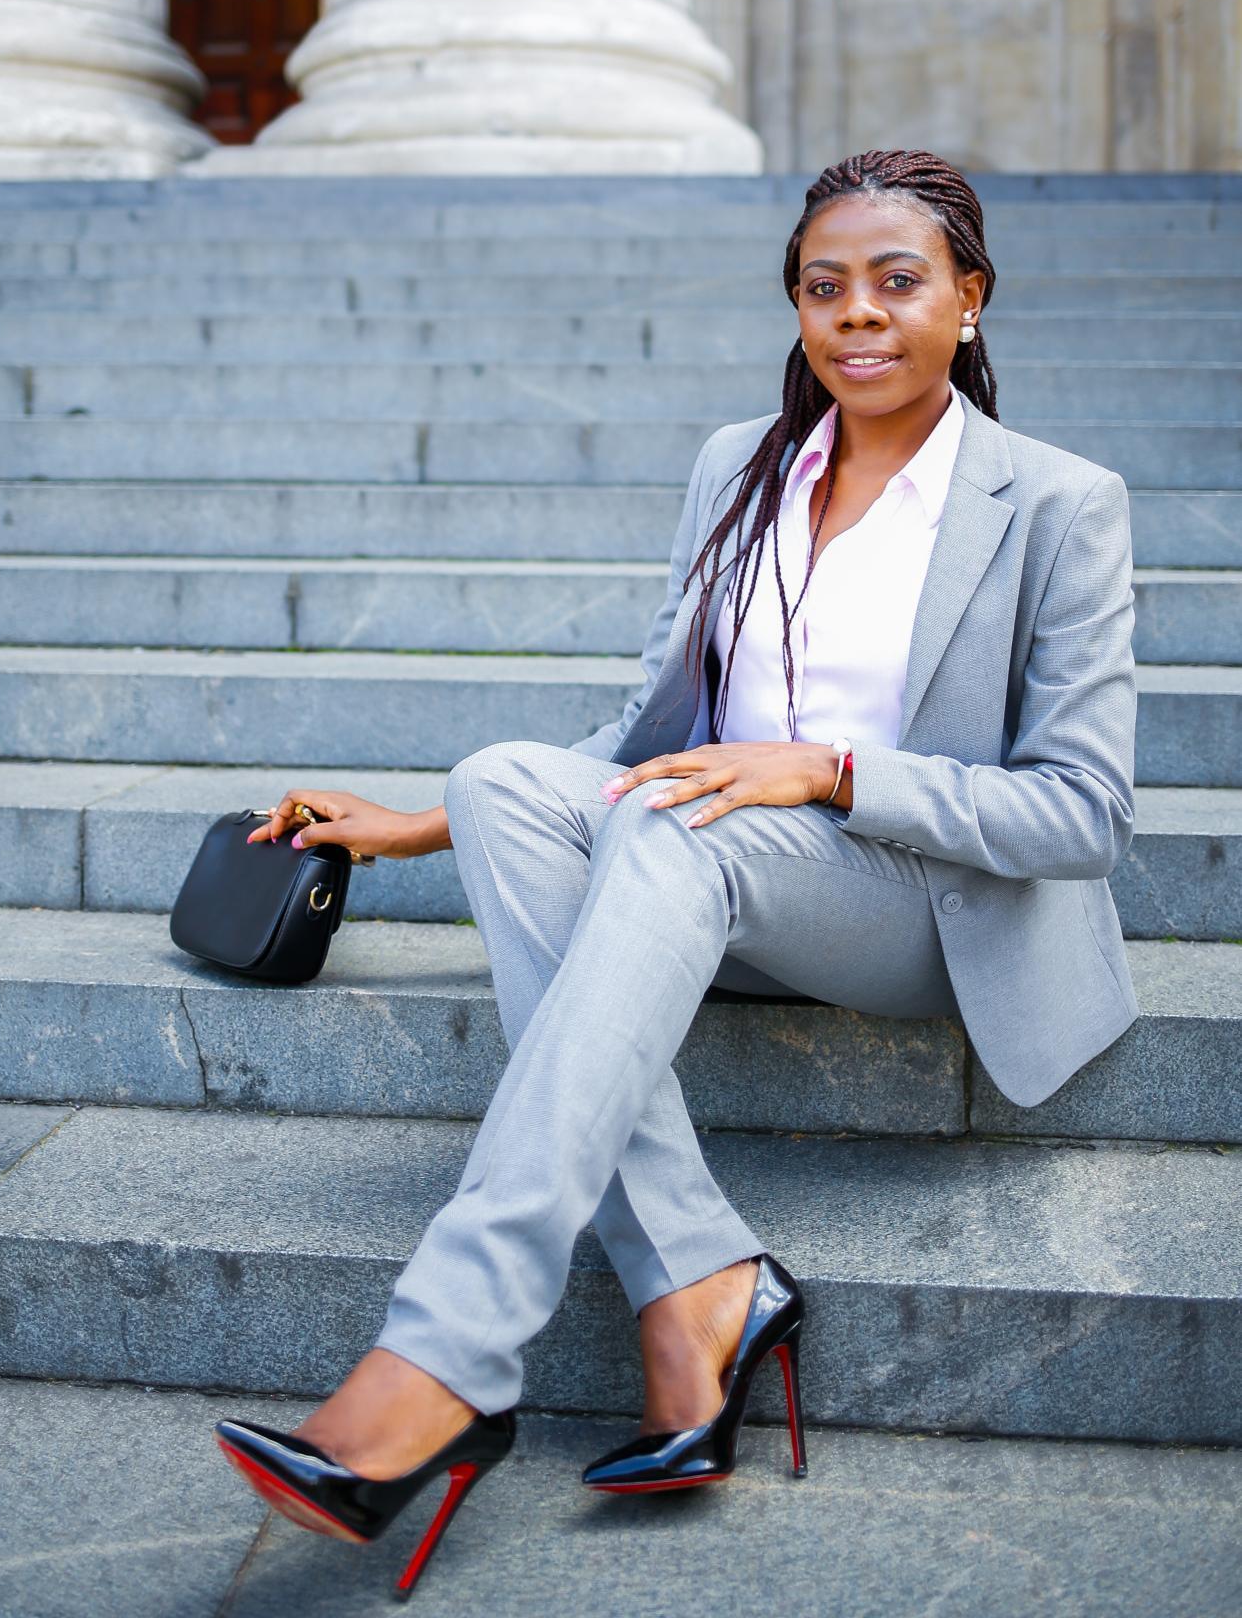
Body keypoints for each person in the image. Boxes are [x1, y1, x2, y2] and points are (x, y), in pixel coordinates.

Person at [214, 148, 1139, 1594]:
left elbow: (1078, 815)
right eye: (823, 287)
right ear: (793, 309)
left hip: (918, 908)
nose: (858, 316)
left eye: (898, 283)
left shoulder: (1059, 505)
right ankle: (704, 1278)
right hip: (710, 866)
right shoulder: (741, 468)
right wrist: (420, 825)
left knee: (669, 822)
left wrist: (830, 771)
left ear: (968, 301)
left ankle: (443, 1353)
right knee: (507, 776)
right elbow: (656, 734)